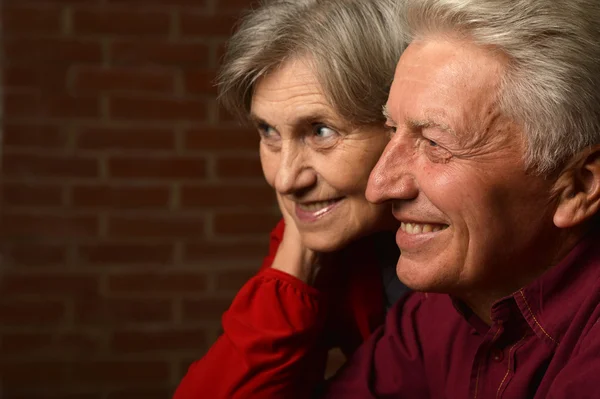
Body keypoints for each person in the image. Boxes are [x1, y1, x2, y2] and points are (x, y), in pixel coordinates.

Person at [320, 0, 600, 397]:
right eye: (391, 129)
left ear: (579, 186)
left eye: (435, 143)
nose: (378, 186)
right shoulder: (439, 309)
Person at [173, 0, 407, 397]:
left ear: (403, 126)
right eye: (269, 132)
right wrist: (299, 256)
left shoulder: (480, 245)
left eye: (320, 131)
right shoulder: (332, 237)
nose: (284, 178)